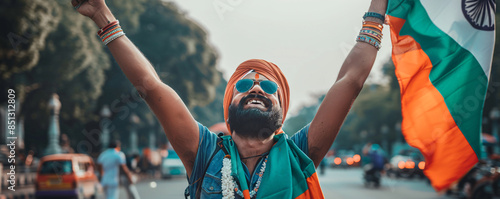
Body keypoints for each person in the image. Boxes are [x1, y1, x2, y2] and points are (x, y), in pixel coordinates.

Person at [72, 0, 387, 197]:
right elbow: (151, 87)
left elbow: (351, 80)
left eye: (269, 86)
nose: (256, 88)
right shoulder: (204, 152)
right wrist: (103, 16)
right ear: (229, 102)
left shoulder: (300, 154)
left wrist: (376, 8)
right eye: (245, 83)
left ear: (282, 106)